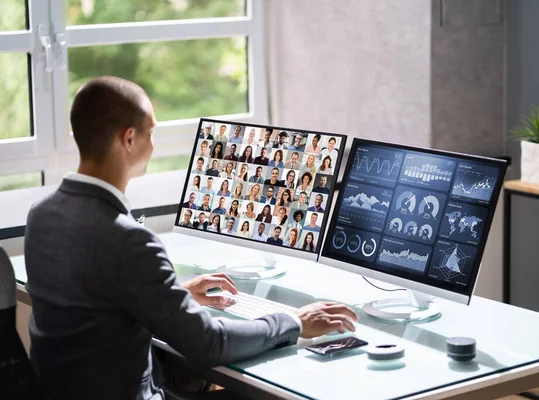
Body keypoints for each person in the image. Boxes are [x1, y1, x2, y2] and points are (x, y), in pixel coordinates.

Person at [23, 76, 360, 399]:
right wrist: (294, 321)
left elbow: (90, 304)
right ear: (129, 139)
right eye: (150, 132)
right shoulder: (130, 241)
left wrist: (171, 295)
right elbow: (210, 343)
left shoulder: (41, 216)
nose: (152, 143)